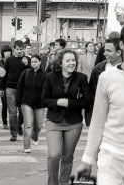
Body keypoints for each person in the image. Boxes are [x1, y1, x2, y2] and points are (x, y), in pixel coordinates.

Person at [75, 23, 124, 184]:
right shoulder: (106, 78)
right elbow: (98, 121)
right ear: (122, 44)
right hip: (111, 157)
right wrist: (87, 158)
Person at [41, 49, 91, 185]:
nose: (71, 63)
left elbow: (87, 101)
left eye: (73, 60)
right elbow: (44, 99)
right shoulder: (51, 77)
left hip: (73, 123)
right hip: (54, 121)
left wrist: (70, 104)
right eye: (68, 60)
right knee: (54, 155)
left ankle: (64, 182)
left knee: (67, 157)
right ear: (61, 63)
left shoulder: (81, 78)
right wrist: (57, 102)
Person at [87, 37, 122, 126]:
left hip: (121, 119)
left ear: (118, 52)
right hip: (101, 118)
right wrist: (90, 118)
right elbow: (91, 95)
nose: (104, 53)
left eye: (108, 51)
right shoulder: (98, 69)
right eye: (104, 50)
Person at [0, 40, 30, 141]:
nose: (19, 51)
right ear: (14, 49)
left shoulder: (27, 60)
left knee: (22, 111)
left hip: (23, 89)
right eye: (17, 49)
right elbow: (4, 74)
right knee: (12, 112)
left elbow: (33, 73)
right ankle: (13, 134)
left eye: (21, 49)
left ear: (24, 49)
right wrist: (1, 88)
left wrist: (27, 65)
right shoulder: (9, 60)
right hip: (10, 88)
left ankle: (18, 124)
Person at [16, 54, 47, 153]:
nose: (34, 63)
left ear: (40, 62)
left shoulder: (45, 75)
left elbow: (47, 89)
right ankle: (26, 146)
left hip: (40, 103)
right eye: (32, 62)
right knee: (28, 124)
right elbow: (19, 87)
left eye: (35, 61)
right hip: (26, 102)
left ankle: (35, 135)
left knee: (39, 125)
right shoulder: (25, 73)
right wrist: (18, 102)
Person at [0, 45, 13, 129]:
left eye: (9, 51)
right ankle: (5, 122)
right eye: (5, 51)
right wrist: (1, 88)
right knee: (5, 105)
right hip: (3, 85)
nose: (7, 53)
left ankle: (13, 122)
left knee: (13, 106)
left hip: (11, 85)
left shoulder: (13, 61)